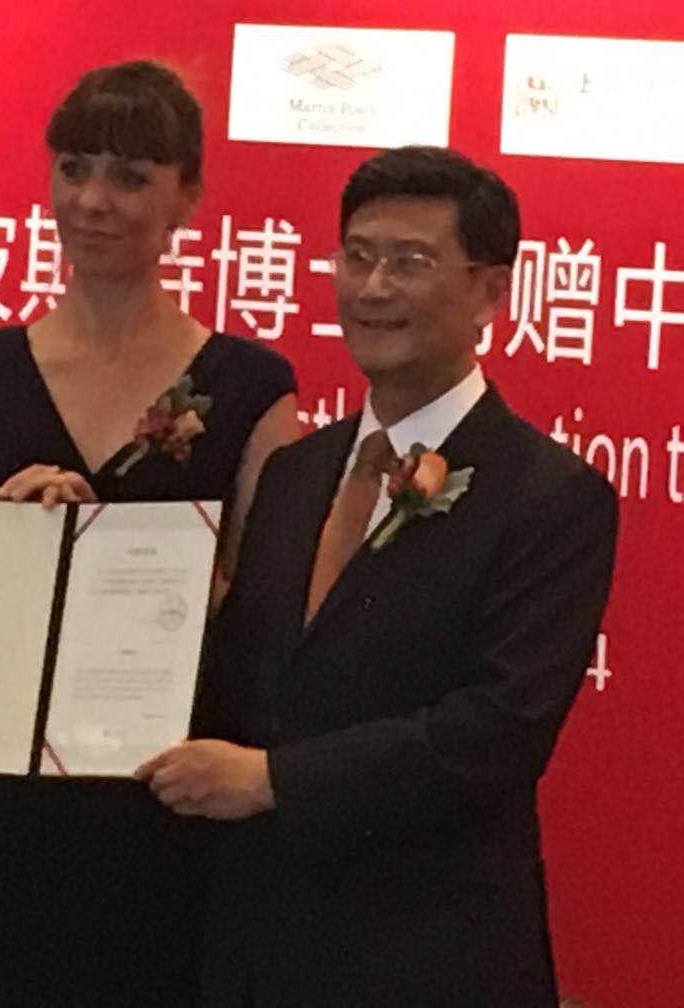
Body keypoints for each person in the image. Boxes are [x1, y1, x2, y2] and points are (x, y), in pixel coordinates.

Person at [139, 146, 619, 1006]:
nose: (373, 287)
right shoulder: (297, 472)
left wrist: (275, 781)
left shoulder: (550, 496)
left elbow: (496, 731)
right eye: (357, 256)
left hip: (429, 955)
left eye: (411, 261)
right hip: (259, 949)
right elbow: (247, 677)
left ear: (490, 292)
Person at [0, 60, 300, 1006]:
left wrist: (138, 565)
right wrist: (8, 548)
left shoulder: (251, 388)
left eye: (130, 177)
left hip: (169, 794)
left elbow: (261, 616)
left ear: (187, 198)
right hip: (4, 808)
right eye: (74, 168)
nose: (93, 200)